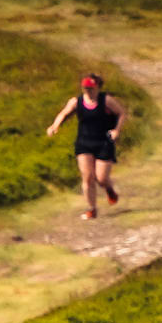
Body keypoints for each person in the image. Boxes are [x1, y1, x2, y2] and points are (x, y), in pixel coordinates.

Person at [46, 72, 123, 220]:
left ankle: (109, 189)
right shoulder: (76, 102)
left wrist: (116, 130)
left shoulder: (106, 100)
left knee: (101, 178)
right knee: (87, 178)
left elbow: (121, 113)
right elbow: (63, 113)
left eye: (91, 88)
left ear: (97, 87)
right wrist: (55, 126)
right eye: (85, 88)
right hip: (84, 143)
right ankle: (92, 209)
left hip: (103, 142)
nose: (88, 91)